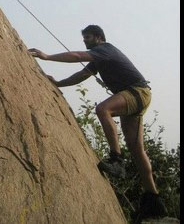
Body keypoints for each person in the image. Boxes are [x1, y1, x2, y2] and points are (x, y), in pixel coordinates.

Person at [28, 25, 166, 221]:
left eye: (88, 37)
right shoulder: (99, 58)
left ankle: (116, 160)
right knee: (136, 148)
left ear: (99, 37)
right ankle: (153, 198)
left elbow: (77, 56)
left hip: (137, 92)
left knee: (103, 109)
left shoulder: (105, 49)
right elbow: (81, 75)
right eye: (84, 38)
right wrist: (58, 83)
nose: (85, 41)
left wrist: (47, 56)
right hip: (138, 95)